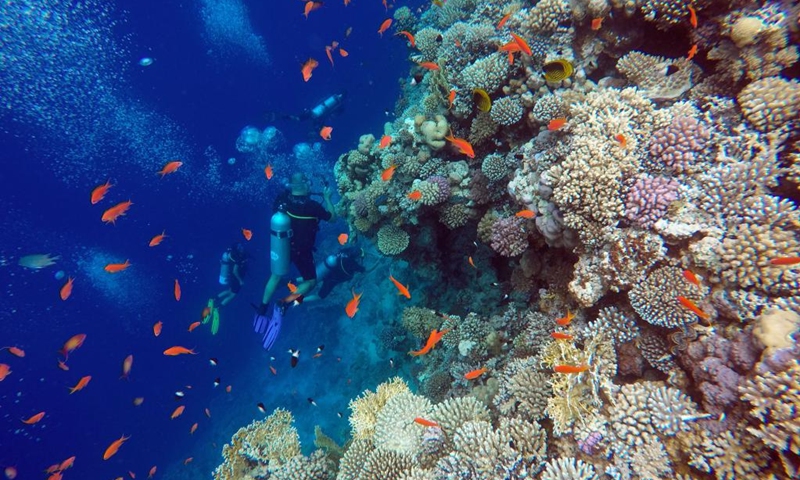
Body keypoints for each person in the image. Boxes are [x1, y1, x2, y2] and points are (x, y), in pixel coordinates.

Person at [253, 172, 335, 349]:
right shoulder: (313, 206)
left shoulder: (283, 200)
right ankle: (284, 302)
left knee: (275, 276)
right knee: (311, 282)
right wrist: (327, 197)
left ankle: (261, 309)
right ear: (304, 185)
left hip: (283, 247)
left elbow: (277, 208)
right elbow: (332, 217)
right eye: (307, 181)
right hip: (302, 251)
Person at [303, 246, 375, 303]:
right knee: (320, 296)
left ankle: (294, 281)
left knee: (311, 280)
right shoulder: (352, 264)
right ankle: (300, 300)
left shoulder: (344, 252)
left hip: (326, 271)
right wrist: (377, 262)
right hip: (331, 281)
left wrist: (360, 253)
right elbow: (365, 270)